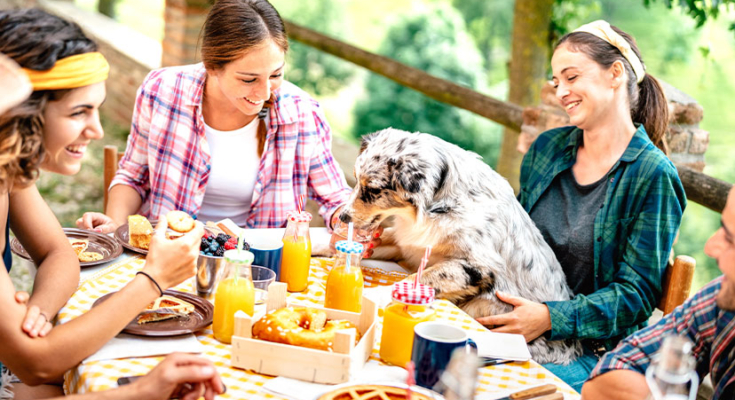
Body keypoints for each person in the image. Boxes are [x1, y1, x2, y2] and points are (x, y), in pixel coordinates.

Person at [0, 9, 220, 399]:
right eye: (78, 111)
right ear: (23, 115)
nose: (97, 130)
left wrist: (35, 315)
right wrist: (154, 280)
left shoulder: (8, 173)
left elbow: (58, 253)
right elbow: (36, 365)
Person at [475, 20, 686, 392]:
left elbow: (635, 297)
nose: (562, 91)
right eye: (557, 82)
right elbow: (510, 236)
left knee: (481, 391)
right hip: (514, 327)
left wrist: (549, 318)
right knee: (428, 354)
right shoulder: (548, 148)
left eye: (571, 77)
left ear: (615, 74)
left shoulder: (653, 176)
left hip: (594, 354)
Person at [75, 0, 374, 249]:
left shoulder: (302, 112)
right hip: (164, 251)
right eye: (248, 79)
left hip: (256, 264)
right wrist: (114, 225)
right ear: (211, 66)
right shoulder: (162, 91)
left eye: (276, 74)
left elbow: (334, 197)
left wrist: (352, 224)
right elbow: (132, 175)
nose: (265, 93)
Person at [582, 186, 735, 400]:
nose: (710, 247)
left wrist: (550, 317)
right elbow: (612, 371)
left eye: (730, 239)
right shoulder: (723, 298)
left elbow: (634, 294)